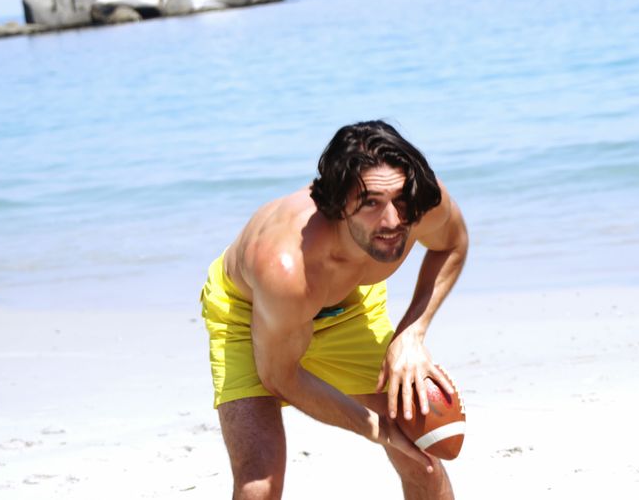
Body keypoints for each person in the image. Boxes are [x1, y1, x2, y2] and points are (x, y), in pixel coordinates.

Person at [200, 120, 468, 499]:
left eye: (400, 199)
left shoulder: (422, 203)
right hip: (252, 315)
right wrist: (378, 427)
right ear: (337, 205)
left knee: (419, 456)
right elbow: (281, 377)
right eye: (371, 203)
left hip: (349, 305)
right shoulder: (285, 266)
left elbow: (453, 244)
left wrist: (412, 333)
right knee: (259, 484)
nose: (393, 221)